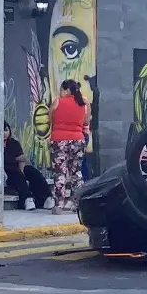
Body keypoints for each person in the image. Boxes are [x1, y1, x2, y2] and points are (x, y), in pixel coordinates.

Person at [49, 79, 90, 214]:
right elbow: (86, 121)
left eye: (61, 90)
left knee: (60, 172)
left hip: (59, 140)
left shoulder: (57, 102)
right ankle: (78, 204)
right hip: (78, 140)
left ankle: (59, 205)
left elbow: (51, 120)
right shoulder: (83, 103)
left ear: (67, 90)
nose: (59, 93)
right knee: (76, 173)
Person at [4, 121, 55, 212]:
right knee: (16, 175)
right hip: (5, 172)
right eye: (1, 131)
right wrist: (16, 159)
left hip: (17, 168)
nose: (4, 133)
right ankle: (27, 199)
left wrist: (22, 170)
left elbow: (22, 159)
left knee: (31, 171)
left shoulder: (14, 143)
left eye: (6, 130)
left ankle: (48, 197)